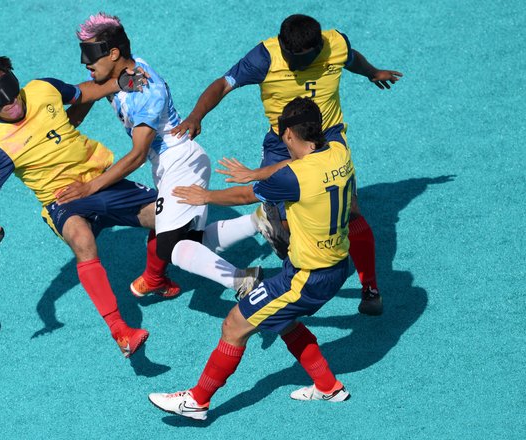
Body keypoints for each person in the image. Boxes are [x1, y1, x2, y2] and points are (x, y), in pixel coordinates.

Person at [171, 14, 403, 315]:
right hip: (283, 144)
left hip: (328, 138)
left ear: (316, 48)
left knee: (351, 209)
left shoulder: (335, 44)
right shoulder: (265, 57)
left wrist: (372, 72)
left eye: (299, 59)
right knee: (285, 223)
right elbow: (223, 84)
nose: (292, 63)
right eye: (289, 55)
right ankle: (292, 273)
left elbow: (352, 59)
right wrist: (196, 115)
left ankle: (370, 286)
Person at [149, 97, 354, 420]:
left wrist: (206, 196)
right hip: (336, 265)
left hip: (306, 277)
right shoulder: (340, 152)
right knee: (283, 319)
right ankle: (329, 386)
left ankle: (197, 401)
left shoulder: (293, 178)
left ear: (288, 135)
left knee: (234, 325)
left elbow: (248, 195)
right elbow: (311, 151)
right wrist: (256, 173)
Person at [0, 56, 179, 358]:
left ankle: (154, 278)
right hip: (64, 202)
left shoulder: (42, 89)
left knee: (169, 218)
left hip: (102, 181)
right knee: (82, 240)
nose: (9, 101)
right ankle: (121, 331)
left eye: (9, 88)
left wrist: (122, 81)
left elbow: (86, 92)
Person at [58, 12, 263, 299]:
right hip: (172, 164)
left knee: (170, 247)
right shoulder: (124, 73)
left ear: (114, 53)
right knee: (191, 242)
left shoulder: (145, 91)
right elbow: (85, 101)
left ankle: (243, 281)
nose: (85, 63)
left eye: (91, 56)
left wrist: (90, 187)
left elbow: (138, 154)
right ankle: (260, 221)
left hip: (180, 162)